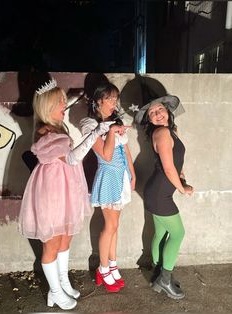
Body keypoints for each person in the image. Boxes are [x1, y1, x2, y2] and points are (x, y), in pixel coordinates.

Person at [18, 79, 112, 310]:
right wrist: (97, 133)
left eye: (63, 101)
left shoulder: (59, 128)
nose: (64, 105)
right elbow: (71, 158)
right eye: (59, 102)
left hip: (66, 191)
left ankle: (61, 284)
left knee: (65, 238)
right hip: (51, 194)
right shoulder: (44, 132)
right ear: (47, 106)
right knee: (51, 245)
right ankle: (57, 292)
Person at [135, 95, 194, 300]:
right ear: (149, 119)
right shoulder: (161, 132)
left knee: (160, 233)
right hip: (161, 193)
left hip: (157, 191)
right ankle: (165, 280)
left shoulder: (171, 132)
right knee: (177, 234)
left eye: (159, 109)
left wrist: (183, 178)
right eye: (152, 113)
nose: (157, 114)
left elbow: (177, 162)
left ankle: (158, 274)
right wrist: (182, 189)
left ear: (167, 111)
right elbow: (169, 168)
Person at [80, 82, 136, 293]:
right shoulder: (89, 124)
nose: (114, 103)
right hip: (107, 175)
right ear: (98, 101)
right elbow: (106, 154)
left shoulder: (116, 120)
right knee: (109, 226)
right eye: (110, 99)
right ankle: (103, 269)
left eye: (115, 99)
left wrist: (132, 174)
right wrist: (112, 130)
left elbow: (126, 151)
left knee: (115, 226)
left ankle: (112, 264)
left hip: (121, 177)